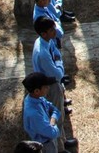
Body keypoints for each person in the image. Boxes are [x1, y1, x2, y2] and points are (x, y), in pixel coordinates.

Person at [32, 17, 77, 151]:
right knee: (56, 117)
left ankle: (63, 140)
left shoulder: (46, 41)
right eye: (52, 30)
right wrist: (59, 64)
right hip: (49, 87)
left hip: (52, 83)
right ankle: (60, 149)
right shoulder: (43, 53)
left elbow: (57, 54)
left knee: (60, 116)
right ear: (43, 33)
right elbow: (58, 73)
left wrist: (58, 62)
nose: (55, 31)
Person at [21, 72, 63, 153]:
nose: (48, 88)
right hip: (45, 146)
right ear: (37, 91)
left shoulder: (36, 98)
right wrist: (54, 121)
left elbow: (55, 110)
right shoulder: (34, 114)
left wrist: (52, 120)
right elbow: (53, 133)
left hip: (48, 140)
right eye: (46, 87)